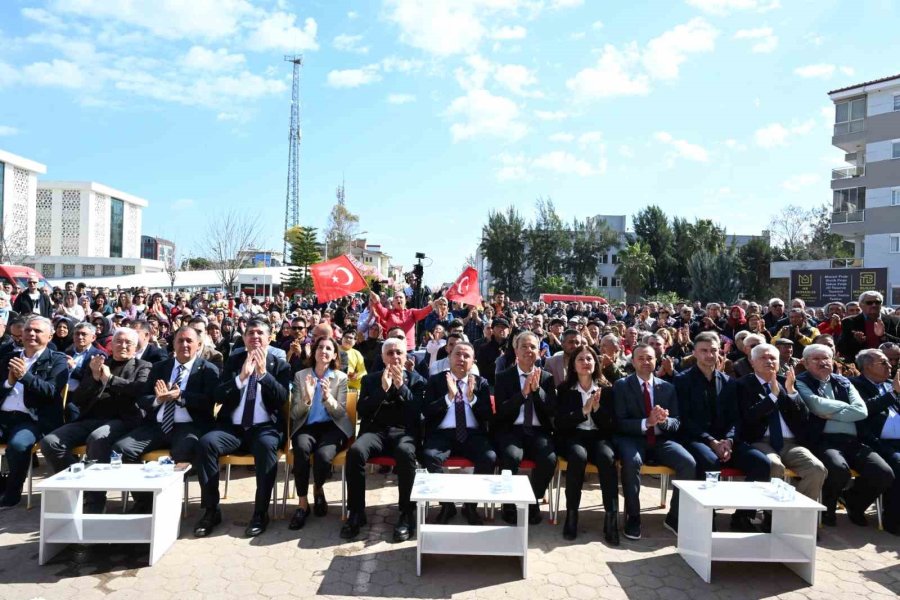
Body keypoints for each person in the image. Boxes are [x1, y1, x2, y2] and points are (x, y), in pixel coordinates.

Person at [193, 319, 290, 538]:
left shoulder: (280, 365)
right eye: (250, 333)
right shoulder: (234, 361)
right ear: (244, 338)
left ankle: (260, 512)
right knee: (207, 443)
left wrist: (264, 374)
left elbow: (282, 398)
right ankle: (211, 510)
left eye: (260, 333)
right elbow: (218, 395)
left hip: (264, 428)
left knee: (267, 447)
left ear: (269, 338)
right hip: (233, 429)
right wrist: (240, 378)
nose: (255, 337)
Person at [40, 327, 151, 513]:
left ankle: (94, 503)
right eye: (118, 341)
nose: (122, 346)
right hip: (90, 418)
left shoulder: (143, 366)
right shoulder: (97, 363)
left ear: (135, 347)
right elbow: (78, 399)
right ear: (111, 344)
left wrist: (109, 379)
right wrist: (93, 377)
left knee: (97, 438)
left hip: (121, 420)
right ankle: (78, 486)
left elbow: (138, 391)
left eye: (128, 343)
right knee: (50, 443)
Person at [111, 326, 220, 513]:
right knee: (121, 449)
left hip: (189, 426)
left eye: (189, 341)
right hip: (157, 425)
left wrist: (181, 396)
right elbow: (142, 399)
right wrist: (157, 399)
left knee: (182, 453)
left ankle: (186, 507)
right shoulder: (160, 367)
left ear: (199, 345)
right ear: (173, 344)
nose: (184, 345)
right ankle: (146, 502)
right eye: (180, 341)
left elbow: (210, 402)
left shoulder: (208, 370)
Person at [675, 332, 771, 532]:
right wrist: (712, 442)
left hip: (727, 441)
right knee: (710, 462)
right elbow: (685, 420)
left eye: (713, 350)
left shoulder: (729, 382)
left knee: (761, 463)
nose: (710, 355)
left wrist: (728, 440)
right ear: (695, 353)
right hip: (696, 439)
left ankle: (743, 516)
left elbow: (736, 418)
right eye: (704, 351)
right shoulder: (682, 381)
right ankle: (706, 516)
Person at [795, 343, 894, 527]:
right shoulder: (801, 381)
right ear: (806, 363)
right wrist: (846, 409)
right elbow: (815, 405)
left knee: (884, 473)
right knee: (838, 469)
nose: (822, 362)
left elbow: (861, 411)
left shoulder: (844, 381)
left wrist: (830, 411)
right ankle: (827, 508)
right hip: (823, 440)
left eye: (826, 358)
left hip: (852, 440)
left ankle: (854, 502)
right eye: (816, 359)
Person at [342, 338, 425, 541]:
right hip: (375, 432)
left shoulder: (417, 380)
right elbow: (362, 410)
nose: (394, 357)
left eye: (399, 353)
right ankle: (356, 512)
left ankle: (406, 514)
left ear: (406, 357)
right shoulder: (370, 380)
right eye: (390, 353)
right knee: (355, 452)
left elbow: (418, 413)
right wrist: (383, 390)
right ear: (382, 357)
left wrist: (402, 387)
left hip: (403, 433)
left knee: (406, 454)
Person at [613, 343, 695, 539]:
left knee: (688, 463)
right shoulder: (622, 386)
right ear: (632, 362)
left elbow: (676, 422)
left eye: (649, 358)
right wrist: (646, 422)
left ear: (656, 360)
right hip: (633, 439)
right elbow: (618, 423)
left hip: (661, 440)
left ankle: (675, 517)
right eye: (640, 358)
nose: (645, 362)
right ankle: (633, 517)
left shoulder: (667, 387)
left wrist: (664, 421)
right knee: (631, 463)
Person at [735, 343, 825, 504]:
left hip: (790, 443)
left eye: (773, 358)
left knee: (816, 469)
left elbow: (804, 417)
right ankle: (770, 515)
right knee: (773, 465)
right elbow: (748, 417)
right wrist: (772, 397)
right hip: (759, 441)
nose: (769, 361)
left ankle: (795, 513)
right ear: (752, 362)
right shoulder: (742, 385)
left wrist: (791, 393)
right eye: (763, 357)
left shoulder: (787, 382)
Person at [420, 342, 496, 525]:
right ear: (450, 358)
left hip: (472, 434)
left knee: (489, 457)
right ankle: (447, 505)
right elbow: (426, 411)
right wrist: (449, 397)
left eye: (466, 356)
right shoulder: (437, 380)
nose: (461, 359)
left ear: (473, 361)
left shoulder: (481, 383)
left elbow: (487, 415)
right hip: (443, 433)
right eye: (457, 354)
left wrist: (472, 399)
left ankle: (470, 506)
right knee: (429, 456)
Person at [0, 316, 68, 509]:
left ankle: (12, 494)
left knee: (18, 445)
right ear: (20, 333)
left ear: (50, 335)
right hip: (4, 415)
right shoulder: (8, 358)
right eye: (28, 330)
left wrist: (25, 376)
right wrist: (8, 383)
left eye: (38, 331)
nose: (31, 334)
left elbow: (50, 391)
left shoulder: (57, 360)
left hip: (33, 418)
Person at [554, 345, 618, 544]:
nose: (585, 363)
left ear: (596, 364)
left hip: (599, 437)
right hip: (574, 436)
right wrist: (583, 412)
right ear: (573, 365)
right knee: (577, 457)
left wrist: (597, 410)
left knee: (607, 458)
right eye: (580, 359)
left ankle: (611, 518)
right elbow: (560, 424)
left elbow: (610, 427)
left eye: (589, 359)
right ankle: (572, 515)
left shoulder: (606, 389)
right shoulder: (565, 389)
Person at [493, 331, 558, 525]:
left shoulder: (546, 377)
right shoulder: (503, 377)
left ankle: (531, 500)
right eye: (524, 346)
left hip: (538, 431)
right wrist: (522, 394)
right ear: (515, 350)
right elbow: (502, 411)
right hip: (511, 429)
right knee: (511, 457)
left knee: (549, 459)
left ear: (539, 351)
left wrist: (537, 391)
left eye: (533, 347)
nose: (528, 351)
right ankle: (509, 504)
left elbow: (551, 410)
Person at [287, 337, 352, 530]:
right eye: (320, 347)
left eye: (328, 348)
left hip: (332, 427)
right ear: (314, 352)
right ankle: (302, 504)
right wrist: (307, 397)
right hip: (307, 426)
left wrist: (328, 397)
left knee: (324, 456)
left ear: (334, 355)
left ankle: (318, 489)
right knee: (300, 449)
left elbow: (341, 413)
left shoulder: (340, 377)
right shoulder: (301, 376)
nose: (323, 351)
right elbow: (294, 414)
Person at [848, 349, 900, 535]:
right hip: (872, 440)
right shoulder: (854, 384)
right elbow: (864, 410)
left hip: (897, 439)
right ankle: (893, 521)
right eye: (884, 362)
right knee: (896, 465)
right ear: (868, 366)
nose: (890, 365)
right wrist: (893, 393)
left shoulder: (890, 384)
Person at [837, 291, 900, 362]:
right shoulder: (849, 322)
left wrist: (883, 336)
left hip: (889, 363)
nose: (874, 305)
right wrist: (856, 341)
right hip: (861, 365)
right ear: (861, 305)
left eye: (877, 302)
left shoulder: (895, 321)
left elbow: (898, 342)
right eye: (869, 303)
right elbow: (841, 348)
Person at [367, 290, 435, 351]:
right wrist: (376, 301)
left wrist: (433, 305)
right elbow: (380, 309)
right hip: (392, 349)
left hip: (408, 350)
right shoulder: (389, 313)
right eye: (396, 298)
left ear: (405, 301)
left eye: (401, 297)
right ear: (393, 302)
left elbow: (423, 312)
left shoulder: (411, 312)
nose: (398, 299)